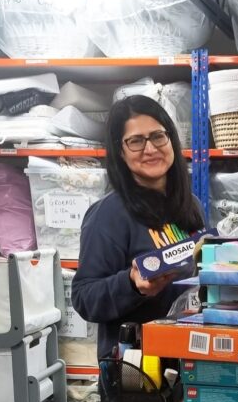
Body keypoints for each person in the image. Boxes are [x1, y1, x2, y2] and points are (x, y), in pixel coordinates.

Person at [72, 96, 205, 360]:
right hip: (138, 375)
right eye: (136, 141)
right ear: (120, 152)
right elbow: (84, 297)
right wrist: (132, 284)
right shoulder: (108, 214)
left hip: (188, 361)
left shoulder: (191, 206)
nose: (150, 148)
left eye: (158, 136)